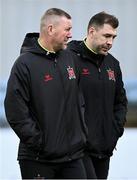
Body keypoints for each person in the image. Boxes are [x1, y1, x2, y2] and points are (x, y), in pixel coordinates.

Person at [4, 8, 87, 179]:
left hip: (72, 157)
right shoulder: (24, 64)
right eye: (67, 29)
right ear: (50, 29)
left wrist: (81, 133)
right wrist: (39, 142)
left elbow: (79, 98)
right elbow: (15, 110)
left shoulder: (69, 58)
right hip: (38, 159)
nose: (70, 35)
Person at [67, 11, 128, 179]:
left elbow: (120, 102)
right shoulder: (69, 59)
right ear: (91, 32)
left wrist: (115, 130)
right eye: (106, 36)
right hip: (78, 150)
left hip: (104, 147)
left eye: (113, 37)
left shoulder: (113, 64)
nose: (110, 42)